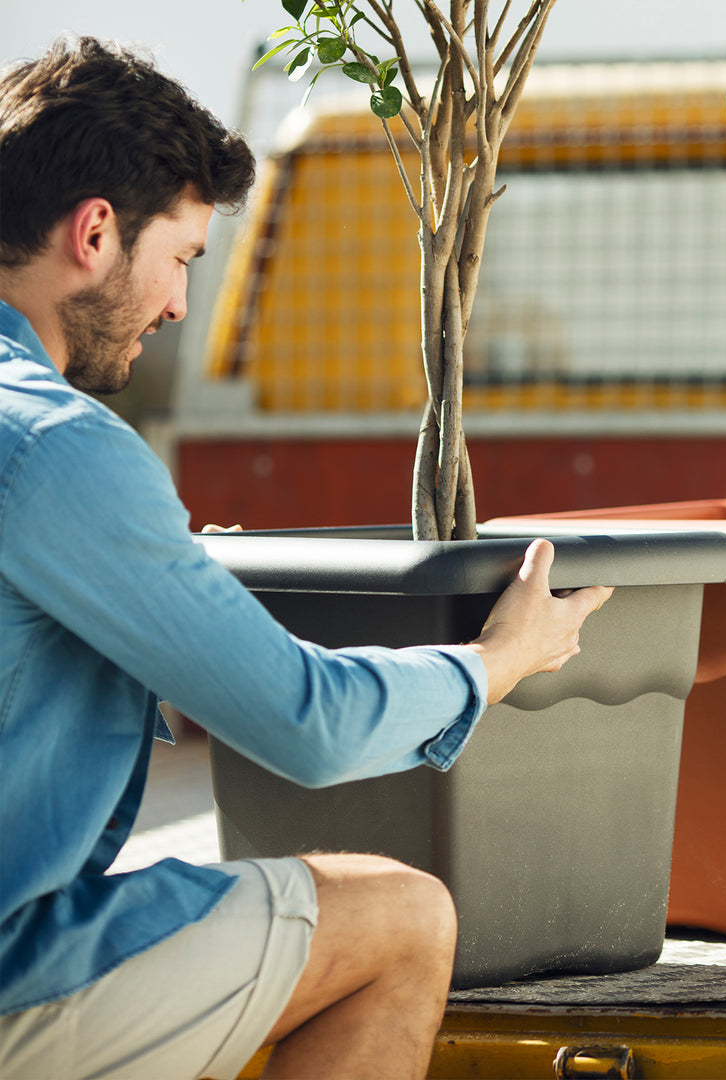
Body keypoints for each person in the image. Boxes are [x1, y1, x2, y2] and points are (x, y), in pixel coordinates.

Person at [0, 35, 612, 1080]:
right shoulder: (58, 446)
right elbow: (310, 728)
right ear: (95, 232)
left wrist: (168, 620)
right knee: (403, 920)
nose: (180, 306)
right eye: (184, 257)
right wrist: (500, 662)